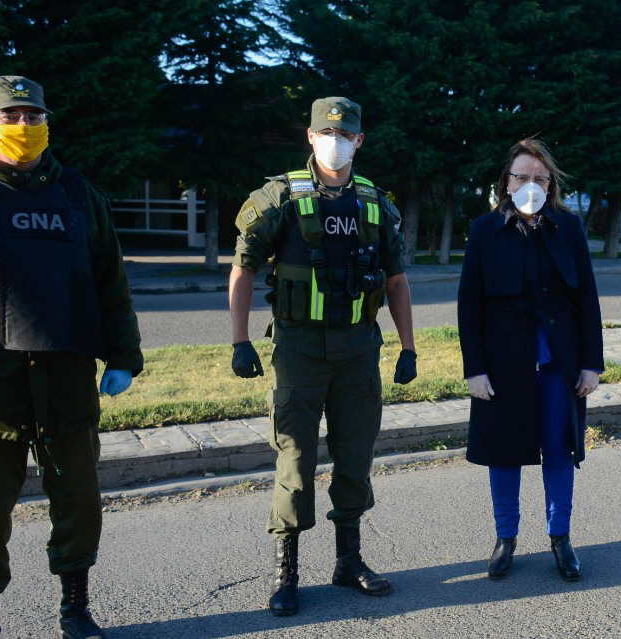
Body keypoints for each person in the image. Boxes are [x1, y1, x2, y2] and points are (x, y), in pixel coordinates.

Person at [0, 76, 143, 639]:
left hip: (67, 377)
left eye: (33, 114)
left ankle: (75, 610)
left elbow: (109, 283)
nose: (24, 125)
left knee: (78, 504)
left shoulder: (77, 194)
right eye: (11, 116)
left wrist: (123, 355)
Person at [228, 97, 417, 616]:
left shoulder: (376, 203)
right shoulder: (279, 197)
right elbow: (242, 268)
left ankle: (349, 561)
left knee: (355, 458)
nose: (335, 140)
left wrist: (408, 347)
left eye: (346, 134)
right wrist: (240, 340)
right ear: (310, 137)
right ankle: (286, 572)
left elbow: (397, 281)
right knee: (295, 460)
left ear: (359, 140)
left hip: (358, 349)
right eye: (325, 132)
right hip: (300, 350)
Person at [457, 138, 603, 582]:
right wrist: (475, 369)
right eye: (522, 176)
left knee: (560, 449)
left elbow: (588, 299)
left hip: (558, 360)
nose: (531, 185)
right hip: (503, 363)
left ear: (551, 184)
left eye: (541, 178)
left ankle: (561, 537)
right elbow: (469, 304)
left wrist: (591, 363)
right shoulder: (485, 229)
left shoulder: (569, 227)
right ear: (507, 181)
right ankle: (506, 538)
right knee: (505, 451)